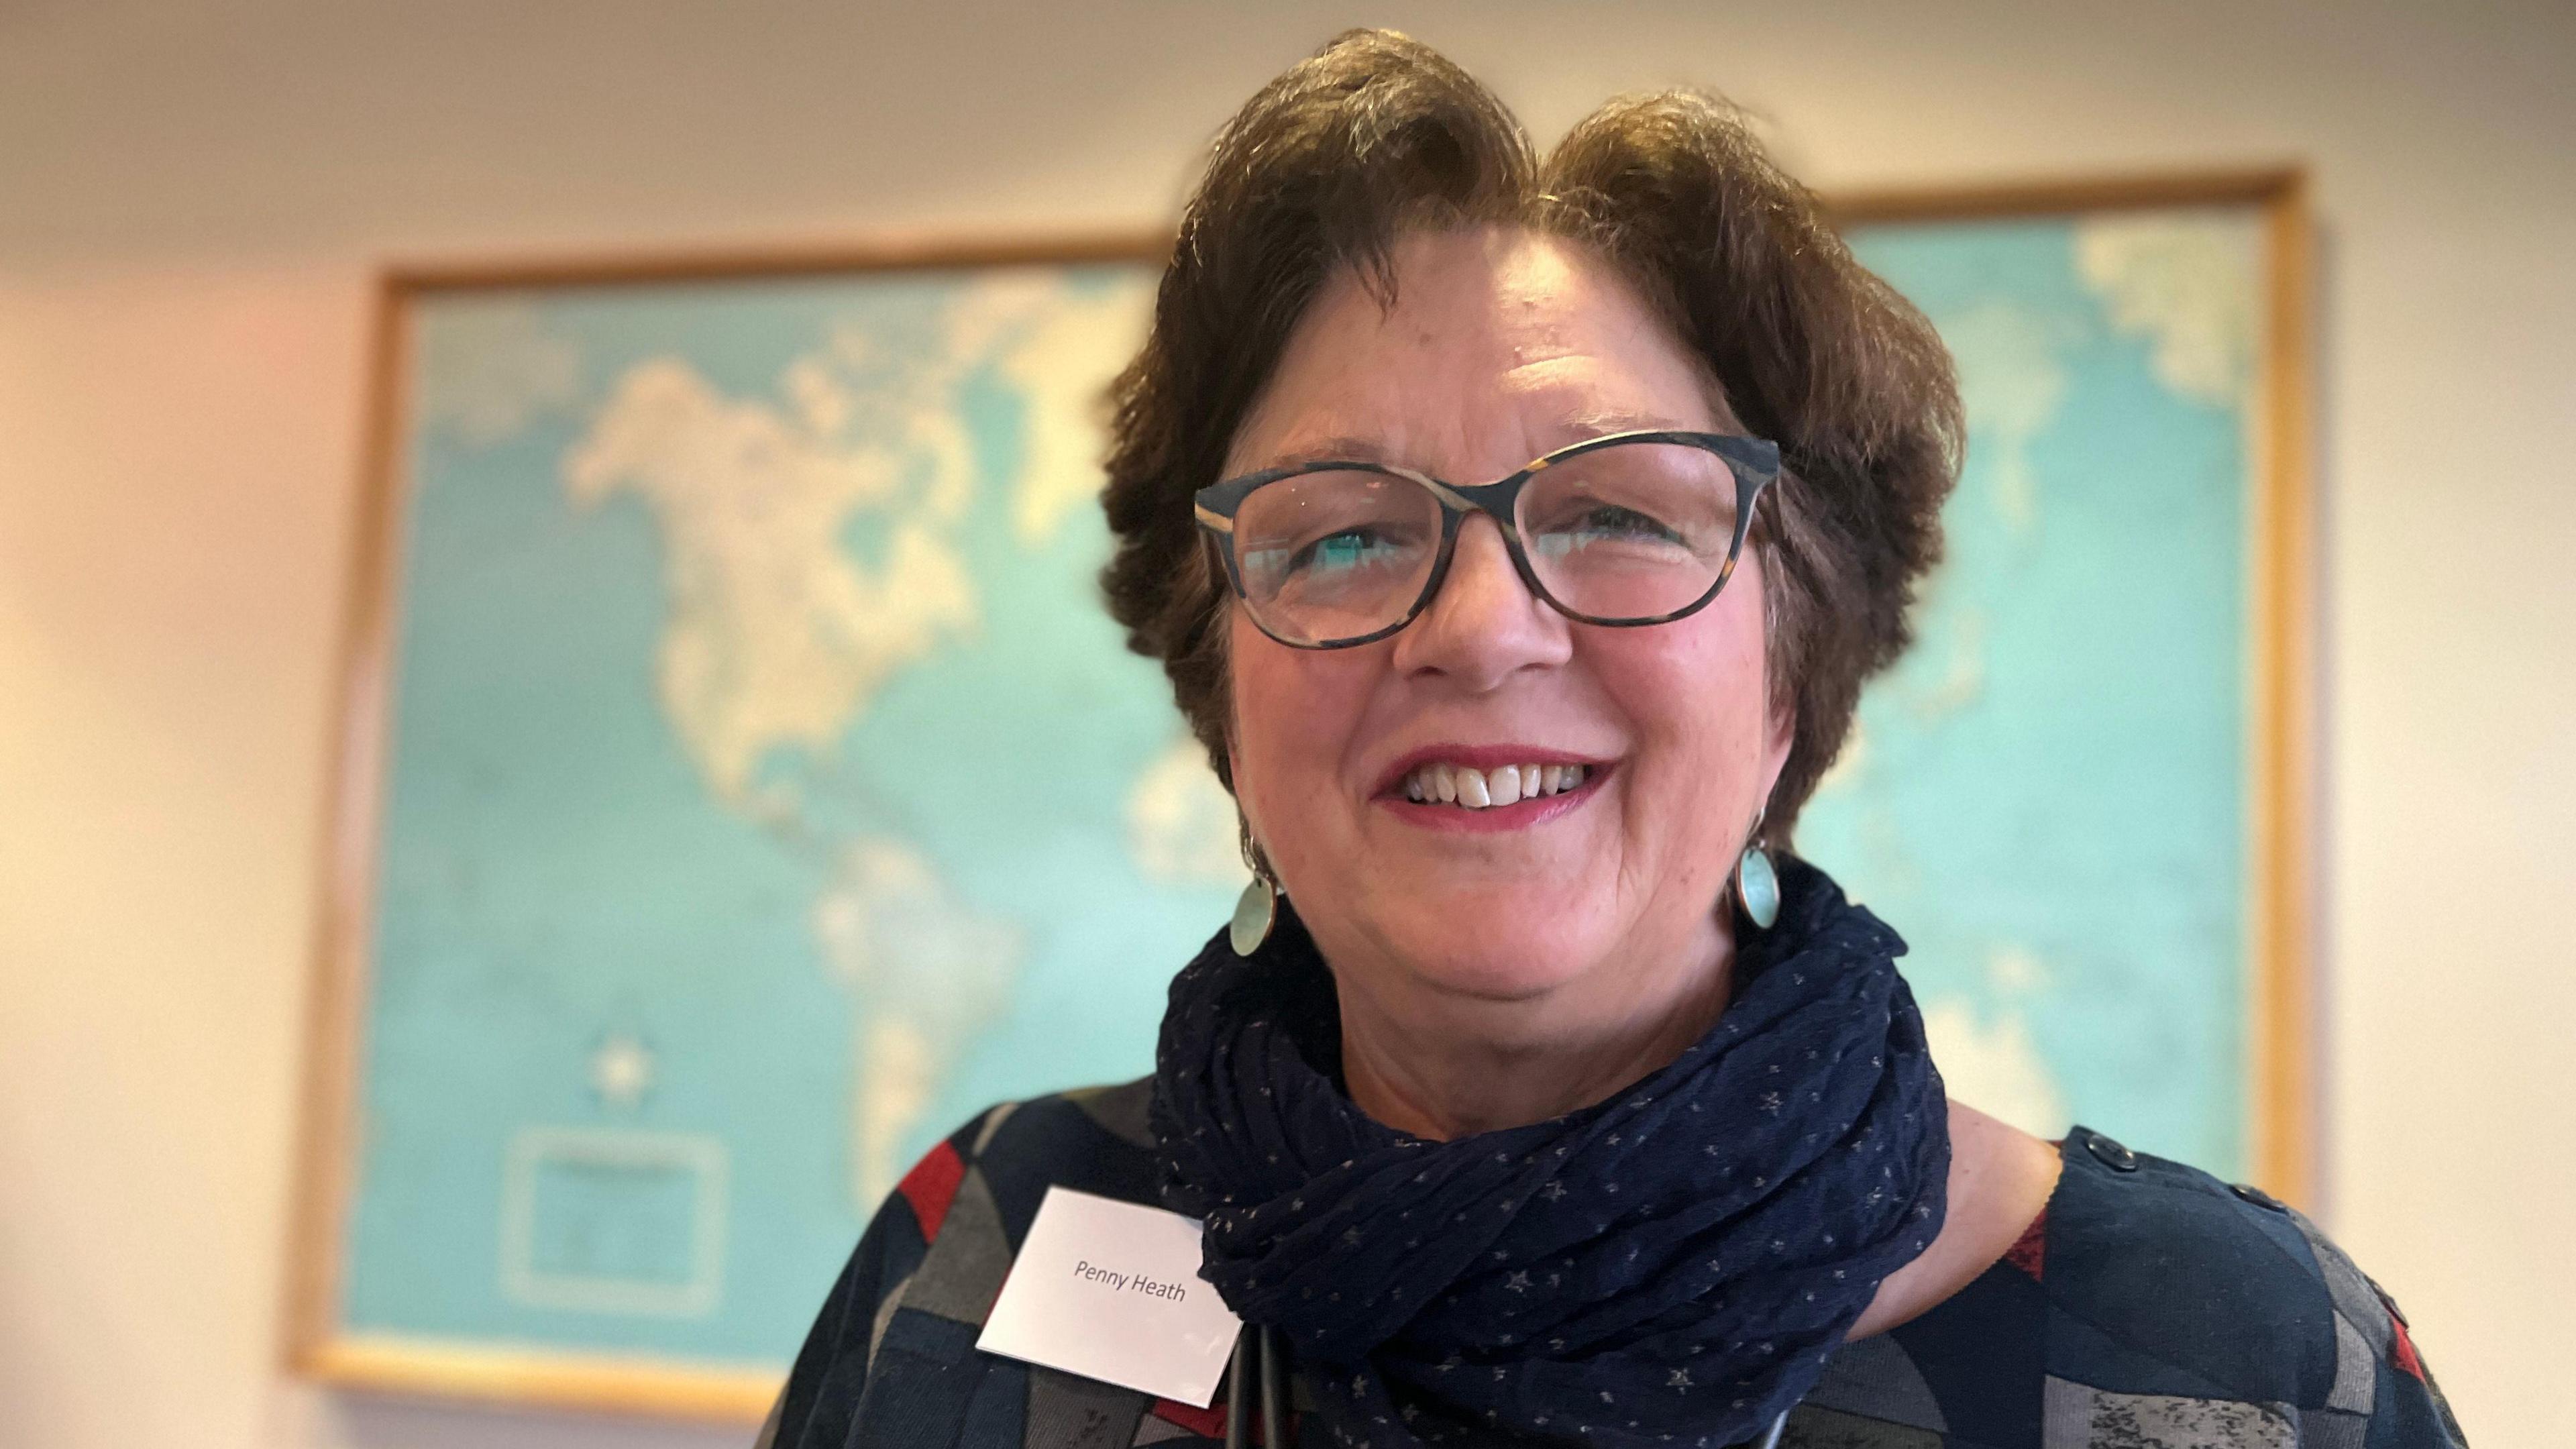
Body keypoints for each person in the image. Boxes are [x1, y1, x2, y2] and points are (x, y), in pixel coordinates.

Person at [764, 29, 2465, 1449]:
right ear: (1219, 683)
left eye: (1621, 515)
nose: (1480, 627)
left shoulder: (2243, 1364)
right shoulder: (983, 1248)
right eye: (1341, 531)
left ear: (1800, 661)